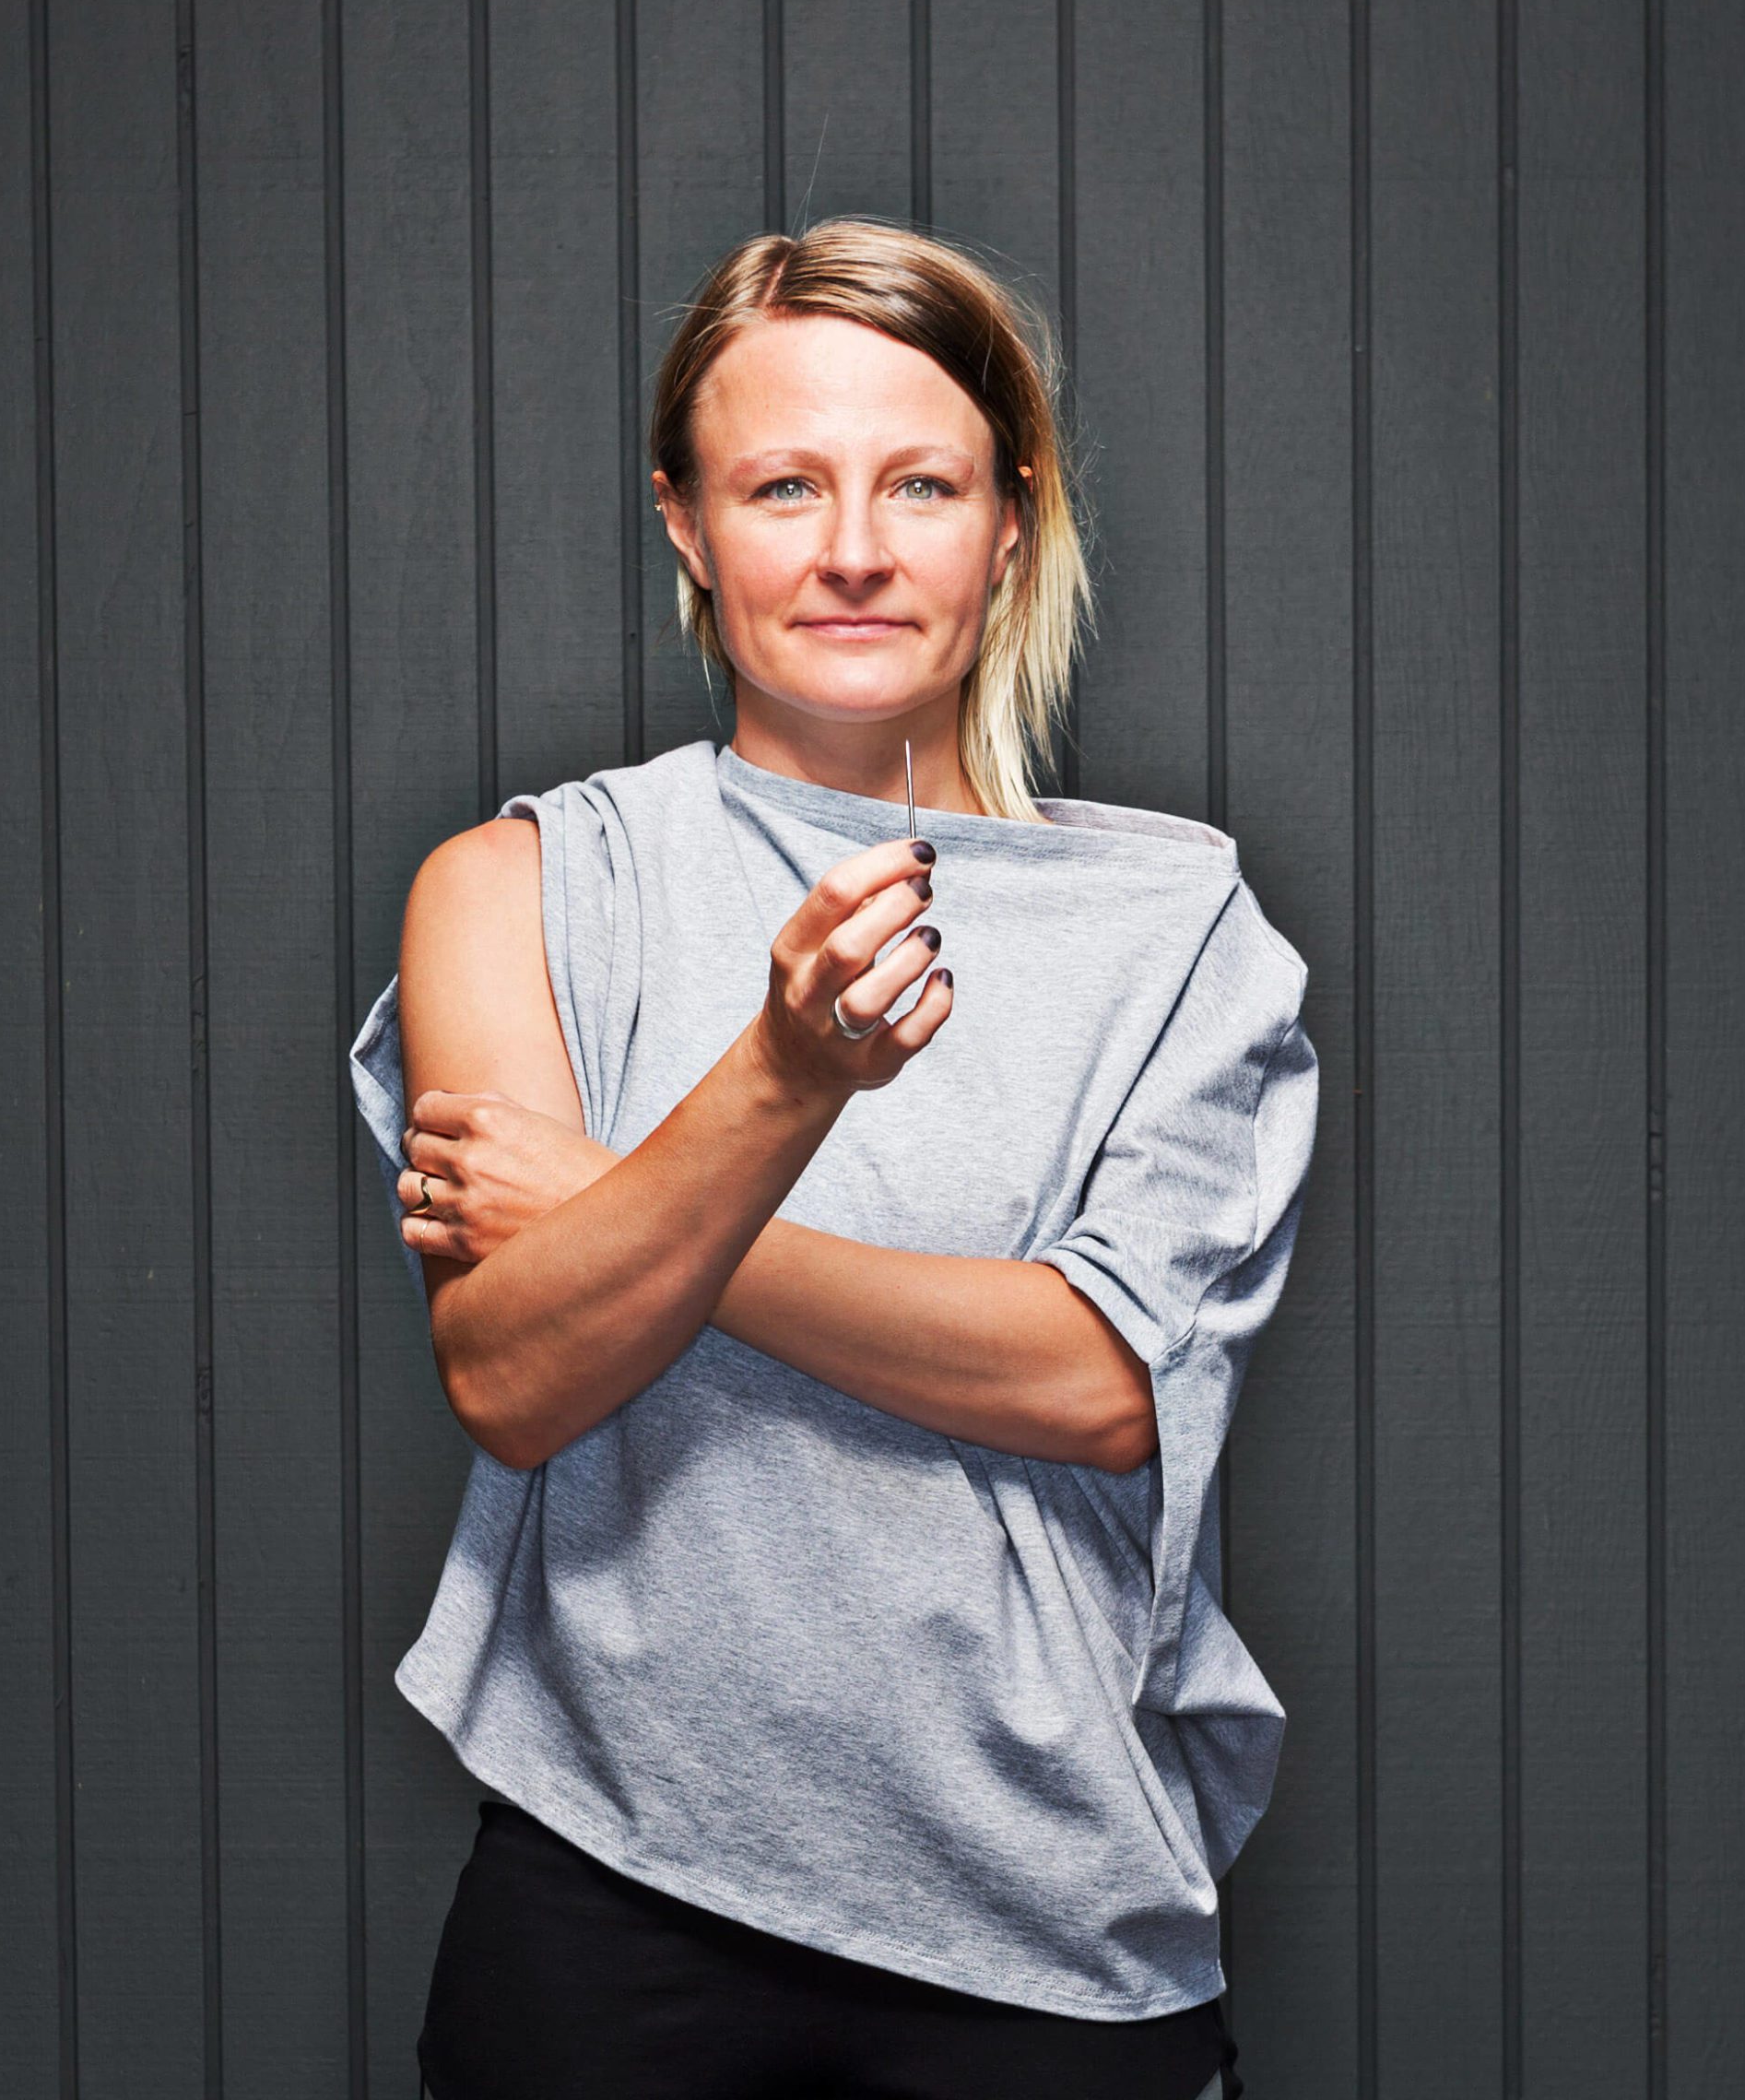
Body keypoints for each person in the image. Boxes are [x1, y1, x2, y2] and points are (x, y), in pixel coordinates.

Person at [348, 216, 1318, 2100]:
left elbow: (1100, 1382)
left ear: (1010, 522)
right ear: (685, 524)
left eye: (921, 484)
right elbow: (519, 1377)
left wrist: (621, 1205)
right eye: (783, 484)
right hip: (607, 1897)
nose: (854, 547)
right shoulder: (523, 888)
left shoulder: (1180, 931)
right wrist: (783, 1081)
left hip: (1048, 1913)